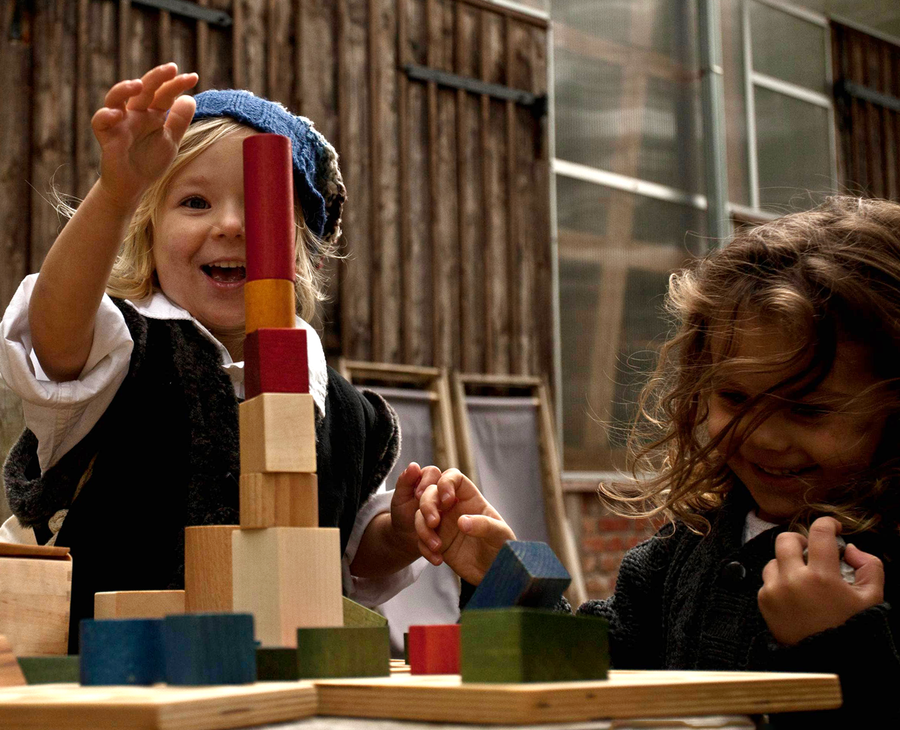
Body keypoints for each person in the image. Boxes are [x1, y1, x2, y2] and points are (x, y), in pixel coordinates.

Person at [415, 196, 900, 725]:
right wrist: (504, 582)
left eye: (806, 410)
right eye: (735, 399)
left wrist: (836, 646)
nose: (763, 437)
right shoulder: (678, 554)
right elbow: (595, 682)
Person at [0, 63, 432, 650]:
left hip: (274, 685)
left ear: (302, 246)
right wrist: (117, 192)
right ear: (147, 231)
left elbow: (348, 546)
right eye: (196, 202)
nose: (230, 225)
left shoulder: (341, 405)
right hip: (111, 684)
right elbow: (54, 327)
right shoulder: (118, 347)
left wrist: (403, 529)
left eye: (259, 206)